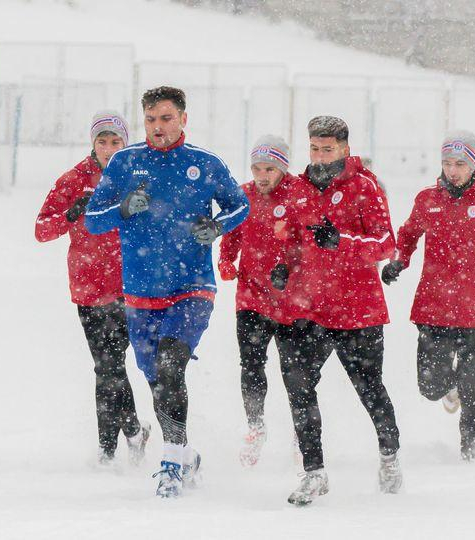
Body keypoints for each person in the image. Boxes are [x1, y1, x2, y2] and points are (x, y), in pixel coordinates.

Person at [85, 87, 249, 497]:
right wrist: (123, 209)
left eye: (166, 118)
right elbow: (92, 220)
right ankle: (187, 452)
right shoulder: (125, 162)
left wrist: (215, 228)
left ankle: (171, 460)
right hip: (140, 292)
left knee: (173, 365)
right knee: (159, 380)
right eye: (152, 120)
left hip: (192, 286)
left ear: (183, 119)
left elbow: (239, 205)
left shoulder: (204, 163)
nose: (159, 127)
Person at [382, 129, 475, 461]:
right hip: (433, 308)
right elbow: (407, 235)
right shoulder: (427, 199)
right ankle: (449, 389)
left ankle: (471, 453)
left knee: (474, 388)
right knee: (430, 386)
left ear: (473, 165)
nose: (453, 170)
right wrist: (398, 262)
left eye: (460, 163)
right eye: (448, 163)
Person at [272, 116, 401, 506]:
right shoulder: (297, 189)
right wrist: (283, 265)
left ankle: (389, 455)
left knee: (369, 389)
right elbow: (291, 238)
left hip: (356, 309)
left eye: (328, 149)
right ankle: (314, 472)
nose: (320, 155)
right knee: (298, 385)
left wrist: (341, 242)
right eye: (314, 148)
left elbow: (385, 243)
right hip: (307, 306)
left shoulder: (365, 187)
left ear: (345, 149)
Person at [35, 111, 150, 466]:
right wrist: (70, 214)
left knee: (113, 365)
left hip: (131, 288)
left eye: (116, 142)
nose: (109, 148)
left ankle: (118, 441)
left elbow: (158, 226)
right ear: (93, 143)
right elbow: (42, 229)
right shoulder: (74, 180)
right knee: (107, 366)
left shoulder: (139, 177)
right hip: (88, 289)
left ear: (126, 144)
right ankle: (123, 436)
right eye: (103, 141)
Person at [217, 135, 299, 467]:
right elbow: (232, 233)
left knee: (295, 369)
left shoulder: (298, 195)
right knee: (251, 364)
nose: (262, 175)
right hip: (250, 297)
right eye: (256, 168)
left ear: (283, 168)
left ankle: (301, 430)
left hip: (291, 301)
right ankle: (255, 426)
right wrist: (226, 259)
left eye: (269, 168)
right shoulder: (245, 194)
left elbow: (308, 242)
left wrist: (291, 268)